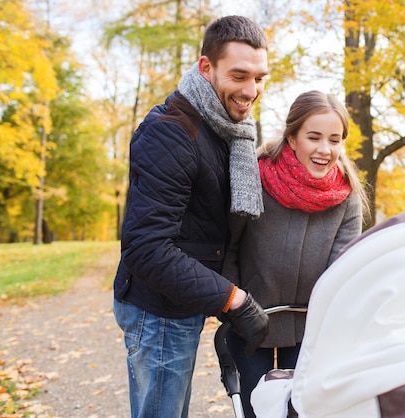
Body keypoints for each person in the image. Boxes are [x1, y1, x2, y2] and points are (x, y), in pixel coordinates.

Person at [112, 15, 271, 418]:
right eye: (239, 76)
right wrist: (231, 298)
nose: (251, 91)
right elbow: (145, 248)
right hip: (158, 310)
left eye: (259, 77)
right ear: (206, 68)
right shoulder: (171, 131)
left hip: (181, 303)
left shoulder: (224, 128)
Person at [222, 90, 369, 417]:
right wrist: (234, 302)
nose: (324, 149)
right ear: (292, 137)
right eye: (313, 137)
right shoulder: (256, 178)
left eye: (334, 140)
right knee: (254, 408)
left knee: (302, 409)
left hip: (309, 326)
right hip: (250, 317)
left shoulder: (346, 196)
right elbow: (229, 247)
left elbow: (341, 269)